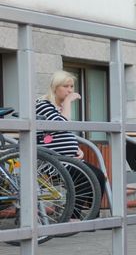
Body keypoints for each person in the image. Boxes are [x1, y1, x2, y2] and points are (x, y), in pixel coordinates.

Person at [35, 70, 106, 215]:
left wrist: (76, 149)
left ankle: (92, 215)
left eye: (72, 86)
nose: (70, 90)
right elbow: (61, 125)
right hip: (52, 162)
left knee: (99, 175)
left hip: (69, 159)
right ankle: (73, 217)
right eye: (65, 86)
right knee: (84, 177)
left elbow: (62, 134)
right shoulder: (43, 105)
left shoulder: (59, 108)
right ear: (55, 88)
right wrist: (68, 102)